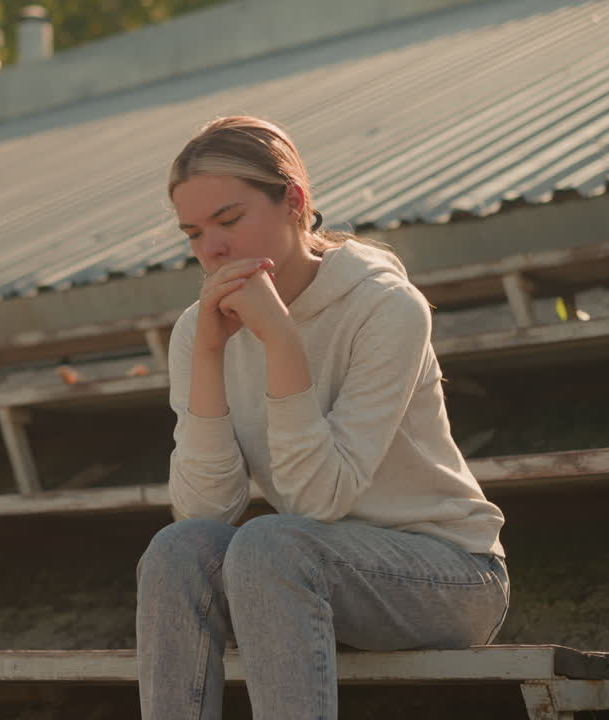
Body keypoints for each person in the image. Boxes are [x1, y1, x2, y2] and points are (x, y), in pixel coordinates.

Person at [136, 116, 510, 719]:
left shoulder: (386, 309)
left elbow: (316, 500)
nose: (213, 249)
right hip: (309, 568)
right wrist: (207, 354)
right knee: (177, 550)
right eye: (194, 234)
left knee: (271, 543)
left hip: (449, 577)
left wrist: (282, 341)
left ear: (295, 203)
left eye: (229, 221)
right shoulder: (198, 330)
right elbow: (206, 513)